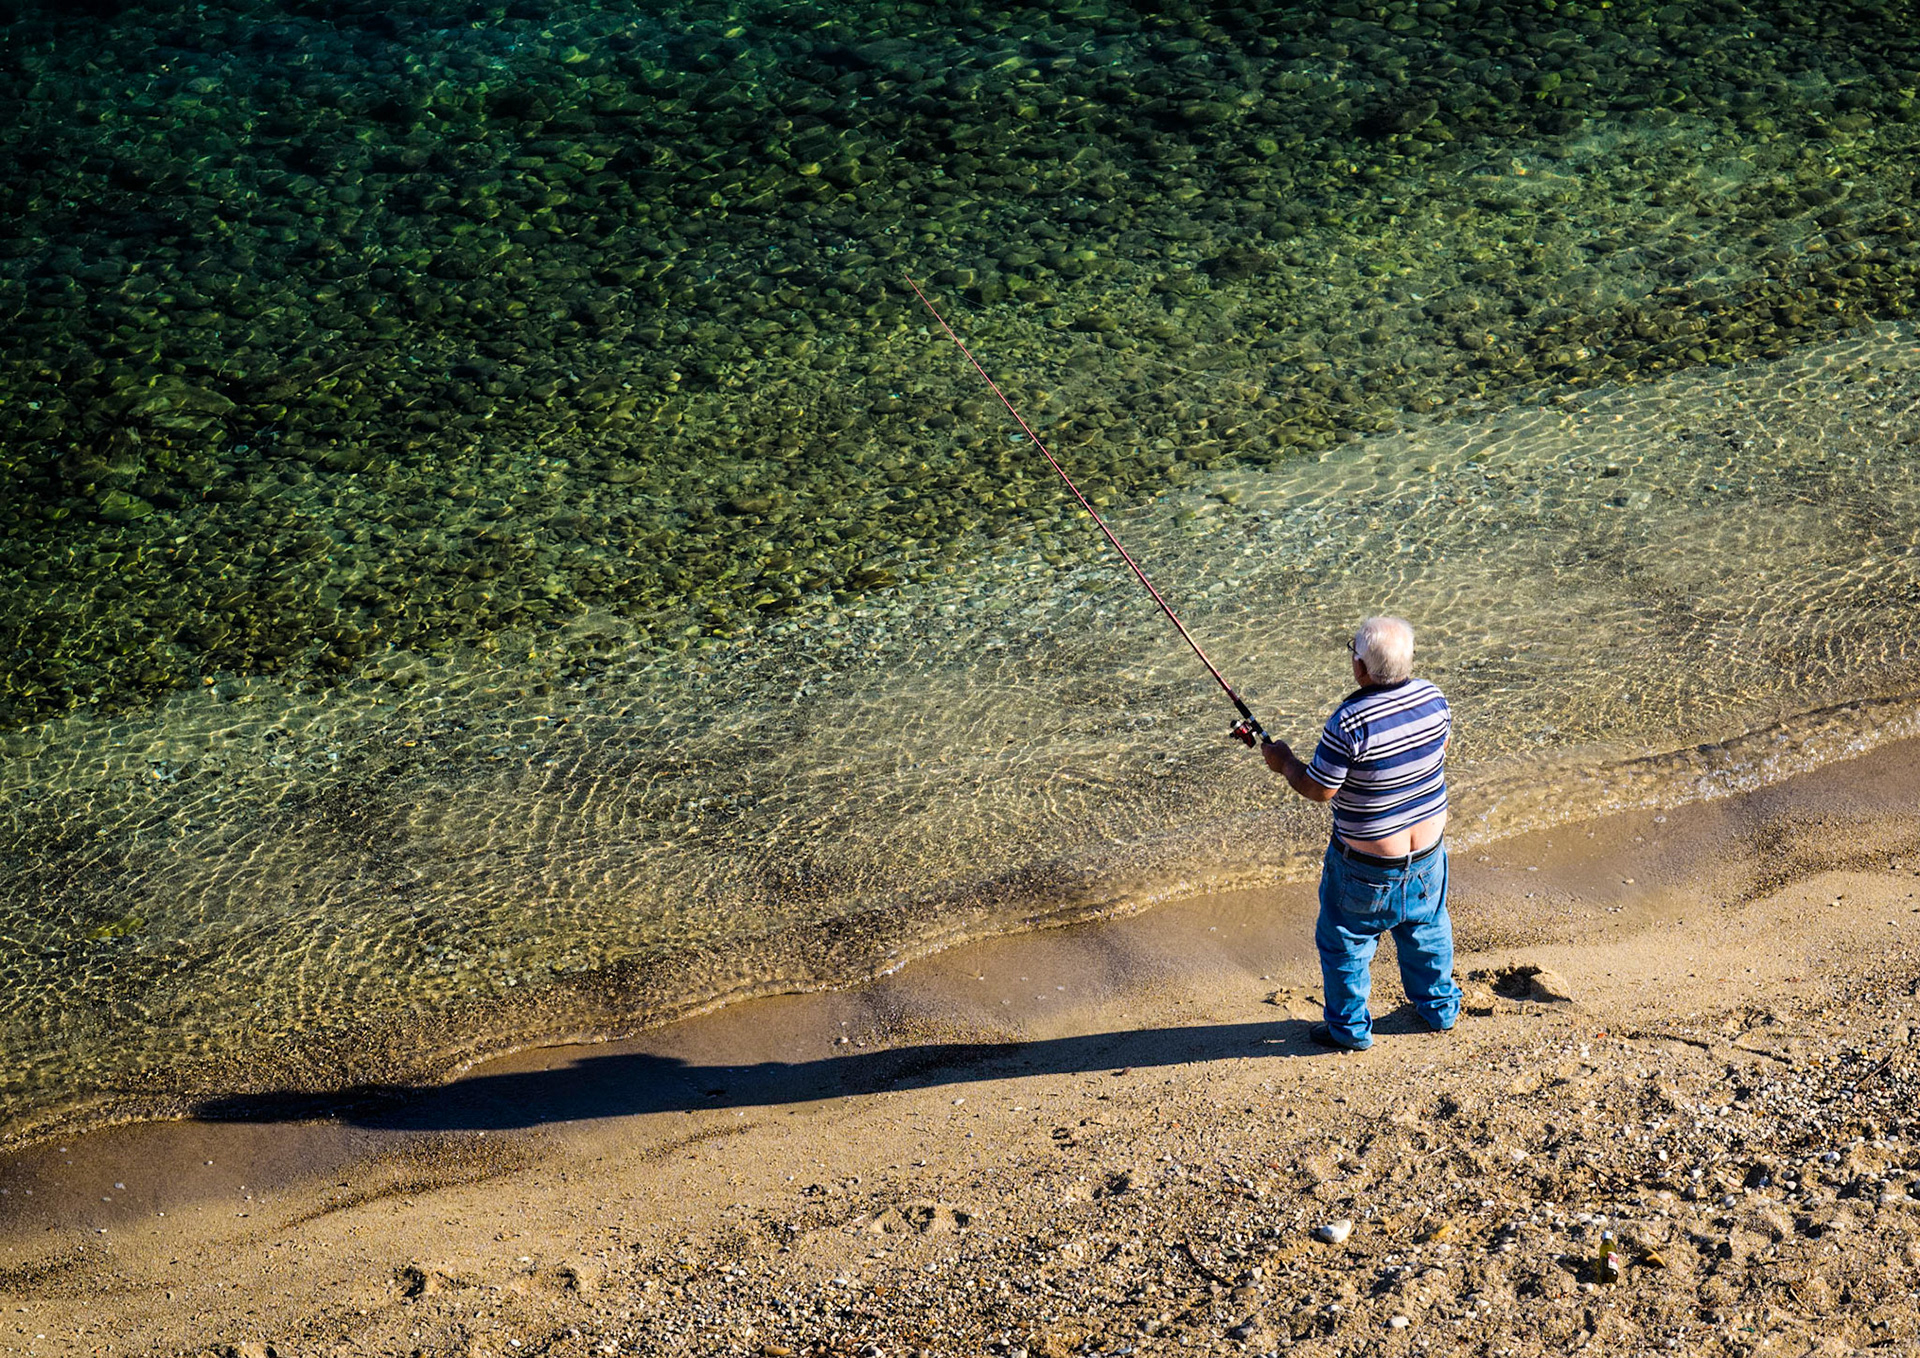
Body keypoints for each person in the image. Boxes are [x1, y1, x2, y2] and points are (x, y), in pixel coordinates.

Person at [1256, 616, 1461, 1051]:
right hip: (1427, 855)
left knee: (1344, 943)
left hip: (1365, 870)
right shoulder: (1434, 697)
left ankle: (1348, 1031)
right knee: (1427, 929)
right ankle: (1440, 1010)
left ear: (1361, 669)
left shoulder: (1348, 722)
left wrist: (1284, 762)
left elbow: (1320, 789)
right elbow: (1439, 748)